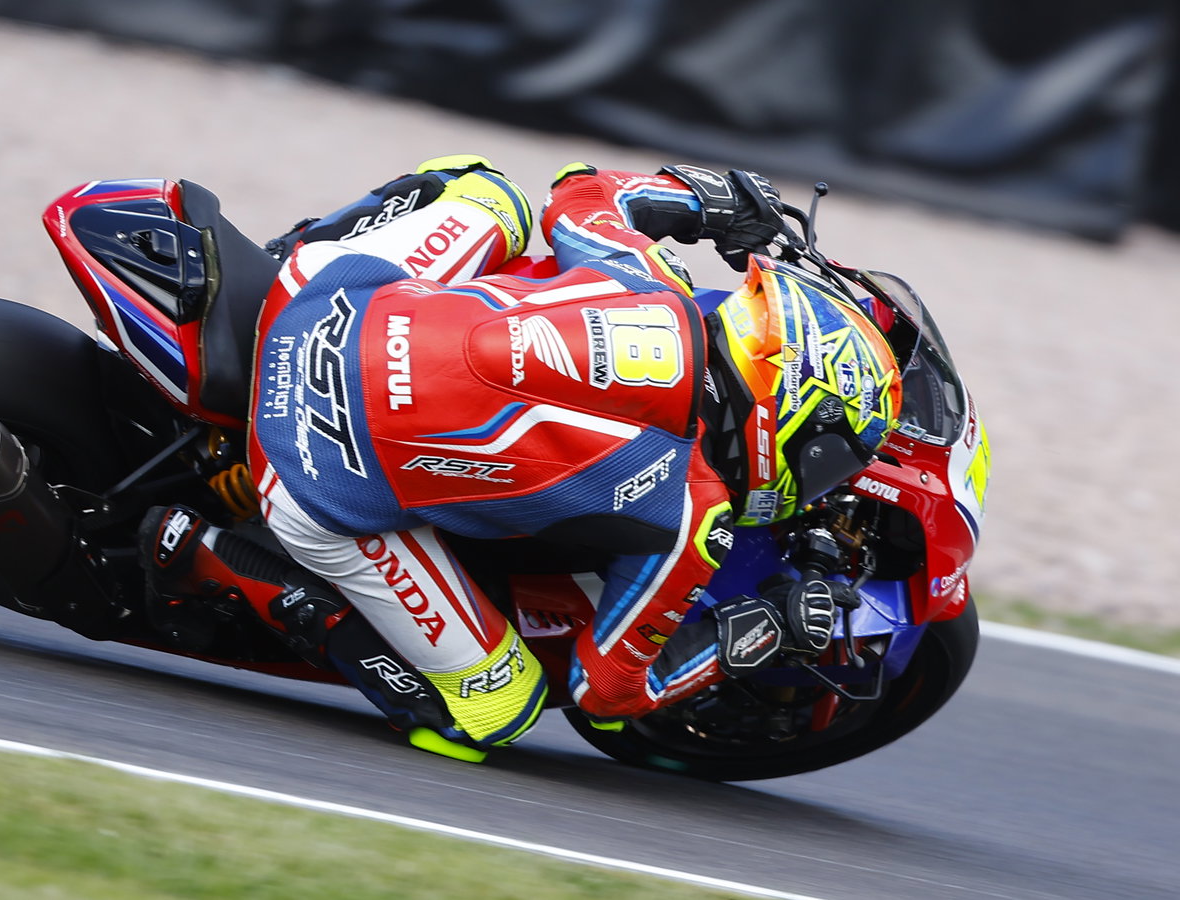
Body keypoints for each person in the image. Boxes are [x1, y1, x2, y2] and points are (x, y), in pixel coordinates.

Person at [139, 155, 903, 762]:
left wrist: (707, 200)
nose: (833, 473)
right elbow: (605, 691)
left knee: (486, 188)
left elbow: (579, 191)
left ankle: (254, 283)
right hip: (315, 477)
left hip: (315, 295)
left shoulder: (648, 277)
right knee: (498, 709)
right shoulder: (692, 514)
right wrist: (755, 629)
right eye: (835, 455)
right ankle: (211, 555)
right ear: (786, 421)